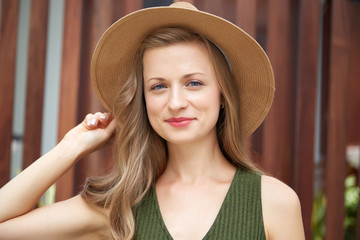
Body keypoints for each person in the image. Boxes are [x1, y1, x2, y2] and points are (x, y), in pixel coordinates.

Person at [0, 2, 305, 240]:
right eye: (158, 86)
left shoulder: (274, 203)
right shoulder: (120, 207)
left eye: (194, 83)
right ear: (144, 101)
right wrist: (72, 146)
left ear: (222, 95)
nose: (175, 103)